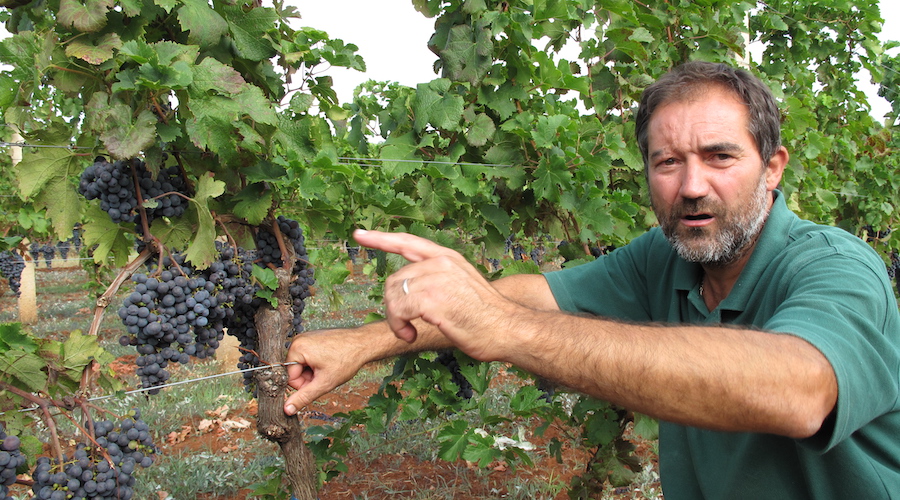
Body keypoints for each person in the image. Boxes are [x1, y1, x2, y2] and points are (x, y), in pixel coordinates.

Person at [283, 61, 900, 498]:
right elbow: (533, 295)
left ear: (772, 168)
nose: (691, 186)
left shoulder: (836, 266)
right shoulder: (666, 257)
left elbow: (799, 391)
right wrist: (363, 343)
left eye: (720, 156)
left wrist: (508, 331)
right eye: (667, 162)